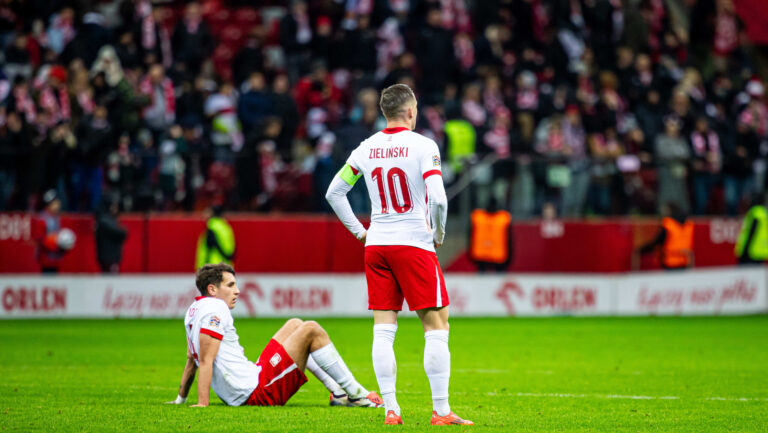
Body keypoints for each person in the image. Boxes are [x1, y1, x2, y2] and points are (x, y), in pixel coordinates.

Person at [325, 84, 473, 426]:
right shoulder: (424, 145)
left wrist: (361, 232)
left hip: (377, 245)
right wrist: (438, 232)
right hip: (413, 242)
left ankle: (391, 409)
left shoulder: (366, 147)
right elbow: (438, 199)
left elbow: (335, 192)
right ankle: (441, 411)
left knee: (383, 328)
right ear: (411, 111)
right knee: (437, 324)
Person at [167, 263, 383, 408]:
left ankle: (337, 393)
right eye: (231, 285)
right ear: (212, 289)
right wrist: (202, 403)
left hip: (253, 378)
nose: (238, 291)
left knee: (294, 324)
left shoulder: (193, 312)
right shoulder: (217, 308)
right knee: (311, 329)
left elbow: (191, 360)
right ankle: (357, 394)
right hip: (255, 393)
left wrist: (180, 399)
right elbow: (205, 360)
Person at [637, 202, 694, 270]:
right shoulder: (688, 224)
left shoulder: (668, 224)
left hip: (670, 262)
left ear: (670, 211)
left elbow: (659, 240)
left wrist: (643, 250)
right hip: (685, 262)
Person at [469, 202, 513, 273]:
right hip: (497, 257)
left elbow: (471, 236)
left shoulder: (478, 217)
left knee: (480, 280)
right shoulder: (504, 218)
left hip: (483, 256)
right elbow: (509, 240)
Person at [195, 205, 235, 270]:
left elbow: (210, 245)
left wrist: (204, 267)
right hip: (226, 265)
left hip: (212, 265)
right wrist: (227, 257)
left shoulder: (212, 226)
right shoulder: (226, 227)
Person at [94, 197, 127, 273]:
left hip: (111, 256)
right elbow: (120, 232)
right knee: (109, 278)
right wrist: (123, 231)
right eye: (113, 206)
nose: (115, 208)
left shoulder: (110, 219)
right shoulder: (104, 220)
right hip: (108, 256)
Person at [734, 195, 768, 265]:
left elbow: (751, 233)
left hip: (751, 253)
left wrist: (744, 252)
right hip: (760, 252)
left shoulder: (755, 213)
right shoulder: (764, 213)